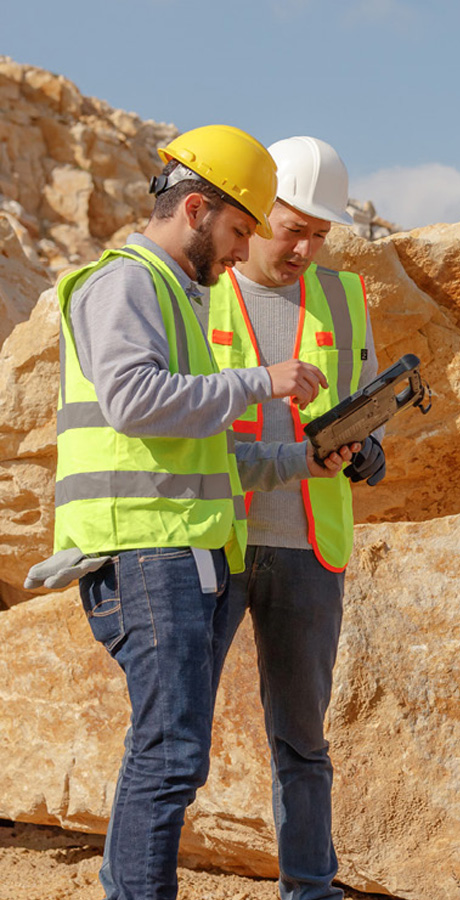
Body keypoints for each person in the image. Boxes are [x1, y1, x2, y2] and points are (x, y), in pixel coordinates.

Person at [41, 124, 360, 900]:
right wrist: (260, 383)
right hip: (146, 548)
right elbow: (133, 401)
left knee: (171, 749)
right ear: (195, 209)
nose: (238, 250)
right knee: (169, 753)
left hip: (178, 546)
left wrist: (300, 460)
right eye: (239, 230)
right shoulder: (130, 284)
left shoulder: (177, 296)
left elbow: (207, 453)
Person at [208, 135, 384, 900]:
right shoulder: (199, 284)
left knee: (303, 741)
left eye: (322, 234)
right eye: (294, 229)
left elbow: (365, 397)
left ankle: (310, 888)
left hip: (311, 544)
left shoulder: (345, 298)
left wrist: (370, 446)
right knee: (172, 735)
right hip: (215, 538)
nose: (306, 248)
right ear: (256, 213)